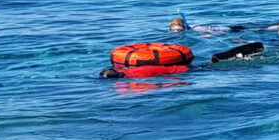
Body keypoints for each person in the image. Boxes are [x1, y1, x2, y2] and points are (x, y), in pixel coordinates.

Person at [100, 42, 264, 79]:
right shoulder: (131, 73)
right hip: (181, 68)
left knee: (219, 67)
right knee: (212, 65)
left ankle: (244, 58)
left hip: (184, 70)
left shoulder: (136, 75)